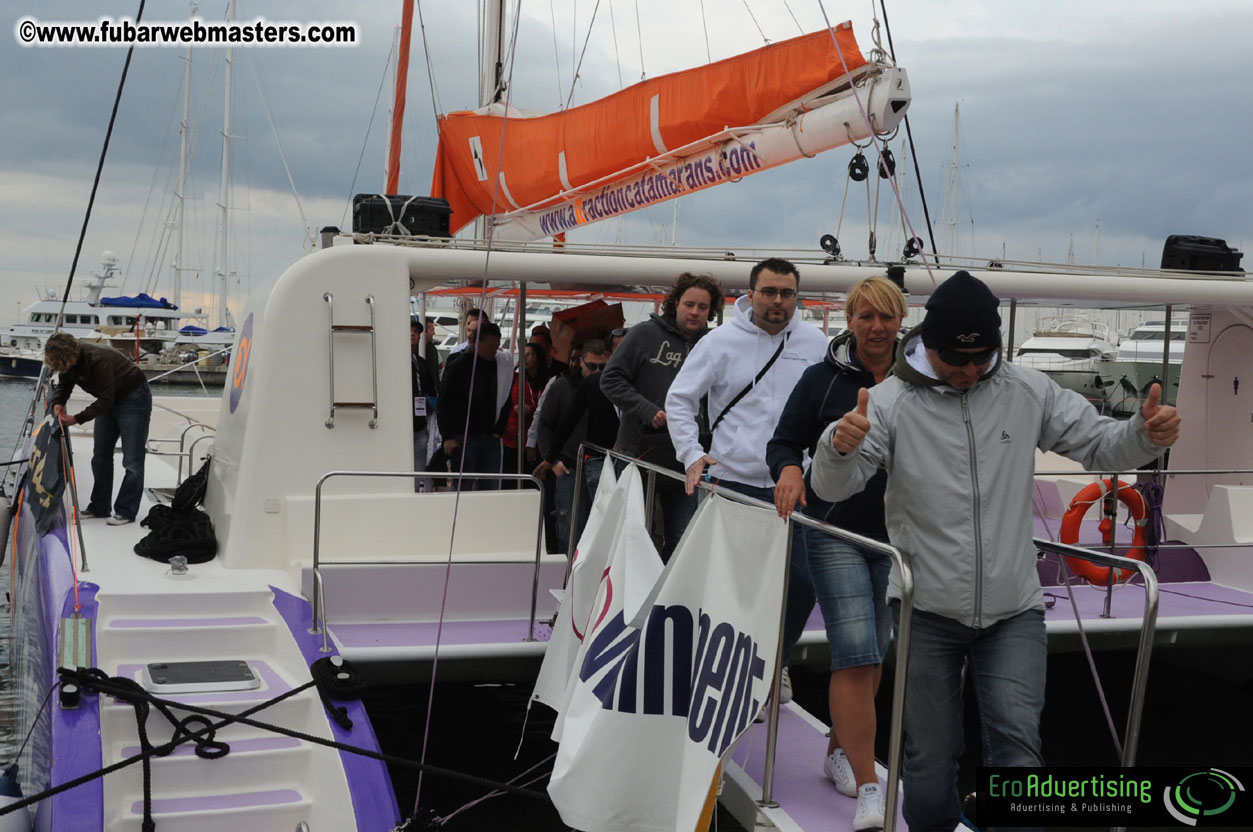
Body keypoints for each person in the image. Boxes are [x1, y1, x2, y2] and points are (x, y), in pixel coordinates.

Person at [811, 270, 1181, 832]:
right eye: (955, 361)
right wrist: (838, 448)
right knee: (930, 764)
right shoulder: (888, 403)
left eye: (980, 359)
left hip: (1015, 608)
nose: (967, 372)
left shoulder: (1027, 390)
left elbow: (1099, 444)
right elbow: (832, 488)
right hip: (925, 611)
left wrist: (1144, 434)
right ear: (928, 346)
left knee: (1018, 750)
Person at [766, 275, 905, 830]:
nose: (876, 327)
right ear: (849, 320)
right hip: (832, 530)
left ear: (901, 321)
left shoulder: (918, 382)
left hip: (896, 537)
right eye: (865, 316)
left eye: (886, 317)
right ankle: (871, 783)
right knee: (855, 648)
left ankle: (838, 751)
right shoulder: (820, 380)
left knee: (876, 652)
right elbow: (782, 440)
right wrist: (792, 469)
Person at [667, 256, 827, 696]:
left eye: (787, 293)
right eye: (769, 292)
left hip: (795, 483)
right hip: (732, 481)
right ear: (751, 294)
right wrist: (691, 455)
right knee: (732, 585)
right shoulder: (720, 342)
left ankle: (776, 658)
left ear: (797, 296)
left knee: (800, 580)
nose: (778, 301)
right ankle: (734, 672)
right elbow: (680, 399)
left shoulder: (815, 343)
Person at [600, 272, 724, 561]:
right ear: (675, 303)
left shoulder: (716, 343)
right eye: (689, 304)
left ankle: (672, 603)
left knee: (685, 538)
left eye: (703, 307)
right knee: (631, 536)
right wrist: (646, 409)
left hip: (689, 457)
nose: (695, 312)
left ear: (711, 310)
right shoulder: (644, 334)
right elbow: (611, 379)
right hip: (638, 451)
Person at [44, 332, 153, 525]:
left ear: (69, 355)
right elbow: (65, 383)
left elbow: (106, 399)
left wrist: (76, 419)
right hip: (109, 398)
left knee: (133, 460)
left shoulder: (97, 358)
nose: (62, 368)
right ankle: (100, 506)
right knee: (100, 456)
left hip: (134, 397)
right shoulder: (69, 363)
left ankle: (126, 511)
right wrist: (58, 401)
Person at [549, 339, 619, 545]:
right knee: (575, 526)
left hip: (616, 461)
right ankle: (569, 574)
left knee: (606, 528)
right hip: (580, 462)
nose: (597, 370)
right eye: (592, 366)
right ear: (581, 361)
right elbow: (554, 422)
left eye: (602, 367)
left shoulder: (630, 382)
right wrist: (552, 458)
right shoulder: (566, 384)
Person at [438, 321, 512, 490]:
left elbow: (506, 398)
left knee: (491, 487)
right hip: (464, 437)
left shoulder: (500, 366)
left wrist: (499, 430)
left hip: (491, 437)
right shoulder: (459, 365)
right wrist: (448, 436)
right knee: (463, 488)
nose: (494, 351)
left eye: (497, 347)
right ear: (478, 342)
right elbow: (444, 401)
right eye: (490, 346)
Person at [502, 343, 546, 487]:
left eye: (530, 355)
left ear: (538, 358)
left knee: (531, 481)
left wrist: (531, 409)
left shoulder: (547, 380)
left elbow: (545, 407)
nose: (525, 358)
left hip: (535, 439)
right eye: (523, 354)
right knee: (509, 480)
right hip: (512, 436)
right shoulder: (514, 377)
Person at [411, 319, 441, 491]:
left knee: (419, 466)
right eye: (410, 330)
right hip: (403, 425)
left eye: (416, 331)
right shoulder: (396, 363)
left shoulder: (420, 362)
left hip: (420, 424)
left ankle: (416, 491)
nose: (413, 333)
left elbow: (430, 387)